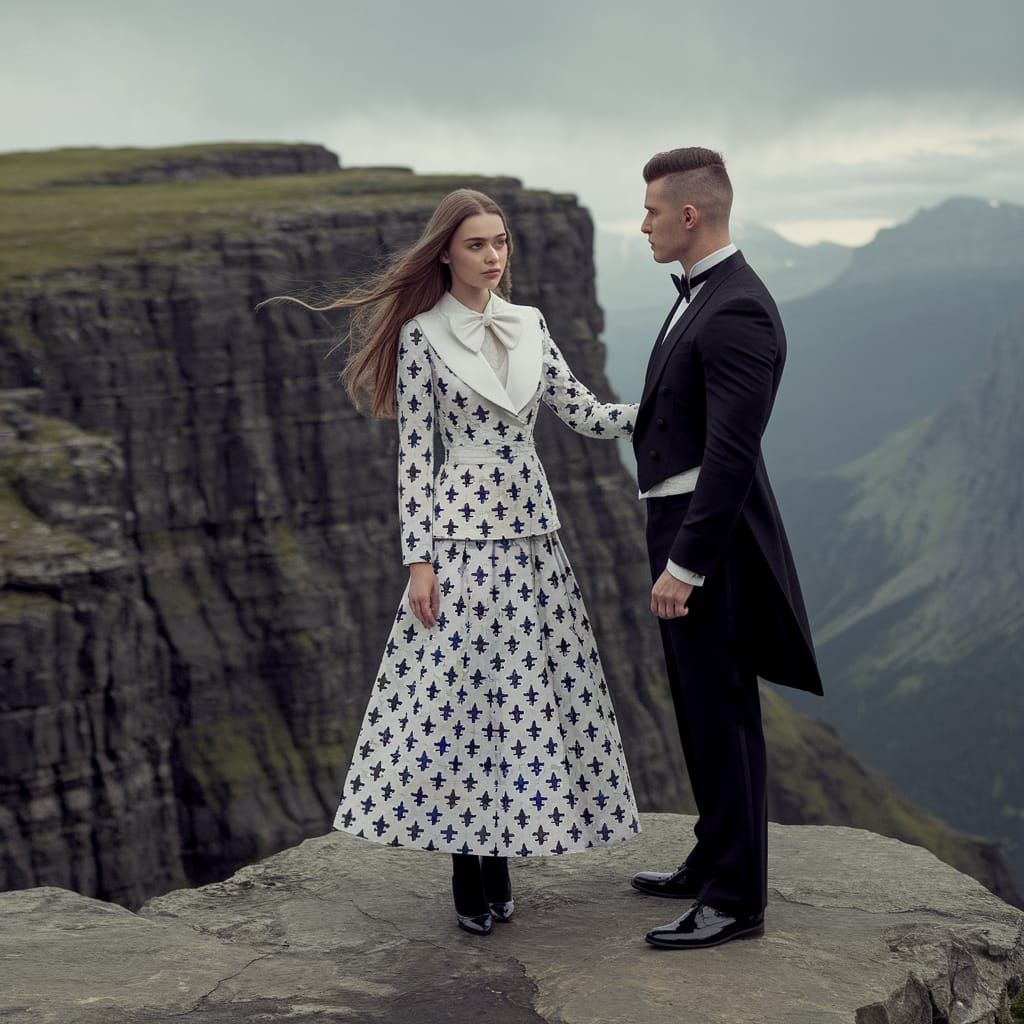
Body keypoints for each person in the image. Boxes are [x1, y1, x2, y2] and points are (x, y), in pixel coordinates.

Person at [269, 189, 642, 936]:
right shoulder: (422, 337)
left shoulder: (531, 325)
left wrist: (662, 403)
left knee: (524, 701)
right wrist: (420, 563)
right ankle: (470, 878)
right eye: (477, 244)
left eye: (500, 242)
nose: (494, 256)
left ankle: (499, 861)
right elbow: (414, 458)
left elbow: (584, 413)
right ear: (447, 251)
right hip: (461, 541)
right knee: (462, 710)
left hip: (533, 540)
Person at [629, 148, 823, 950]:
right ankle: (714, 858)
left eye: (649, 211)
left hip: (713, 545)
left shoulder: (738, 307)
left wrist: (686, 565)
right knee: (697, 705)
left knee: (724, 710)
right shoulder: (700, 297)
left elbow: (733, 456)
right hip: (677, 528)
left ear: (688, 215)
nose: (639, 224)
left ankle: (737, 898)